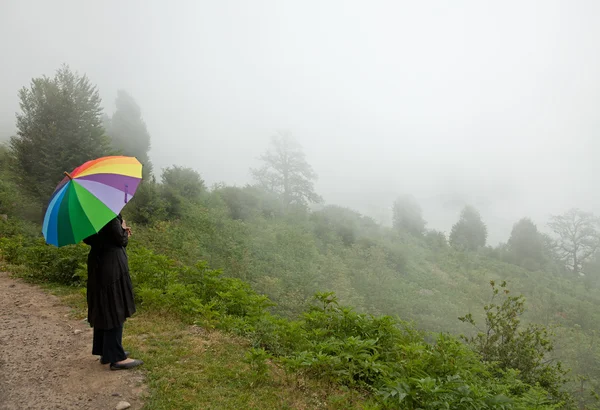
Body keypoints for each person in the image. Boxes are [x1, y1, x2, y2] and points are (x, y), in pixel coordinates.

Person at [83, 213, 143, 370]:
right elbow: (120, 240)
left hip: (97, 263)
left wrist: (118, 231)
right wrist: (123, 228)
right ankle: (116, 358)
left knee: (104, 306)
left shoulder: (88, 214)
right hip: (112, 265)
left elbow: (88, 239)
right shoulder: (108, 212)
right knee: (115, 306)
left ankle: (106, 350)